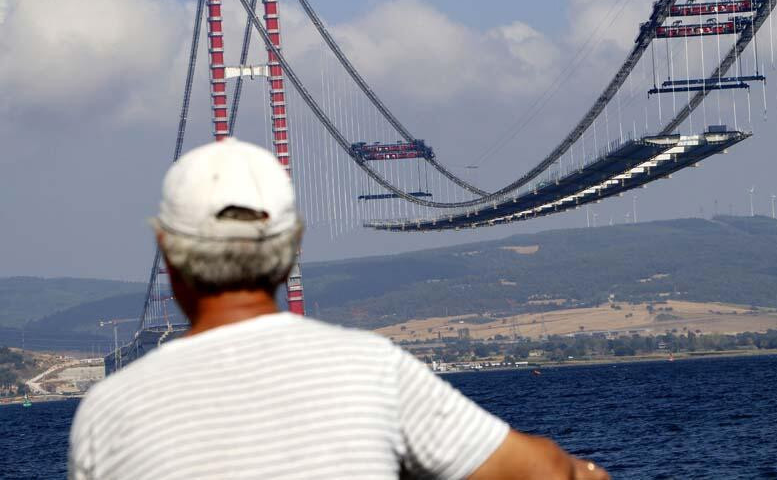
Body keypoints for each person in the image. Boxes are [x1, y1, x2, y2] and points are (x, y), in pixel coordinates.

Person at [69, 139, 609, 480]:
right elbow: (535, 474)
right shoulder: (369, 368)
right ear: (291, 249)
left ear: (166, 250)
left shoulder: (105, 411)